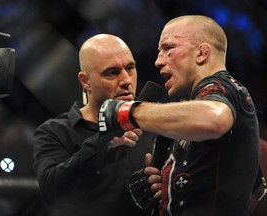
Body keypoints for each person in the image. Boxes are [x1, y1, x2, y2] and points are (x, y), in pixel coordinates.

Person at [99, 15, 259, 216]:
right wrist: (160, 187)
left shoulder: (220, 87)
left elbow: (214, 119)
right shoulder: (191, 109)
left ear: (201, 53)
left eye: (168, 48)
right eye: (159, 52)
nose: (158, 61)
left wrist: (130, 112)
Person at [33, 34, 161, 216]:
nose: (126, 80)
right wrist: (104, 140)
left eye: (130, 68)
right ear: (85, 81)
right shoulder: (54, 131)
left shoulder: (153, 122)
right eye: (112, 72)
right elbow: (51, 190)